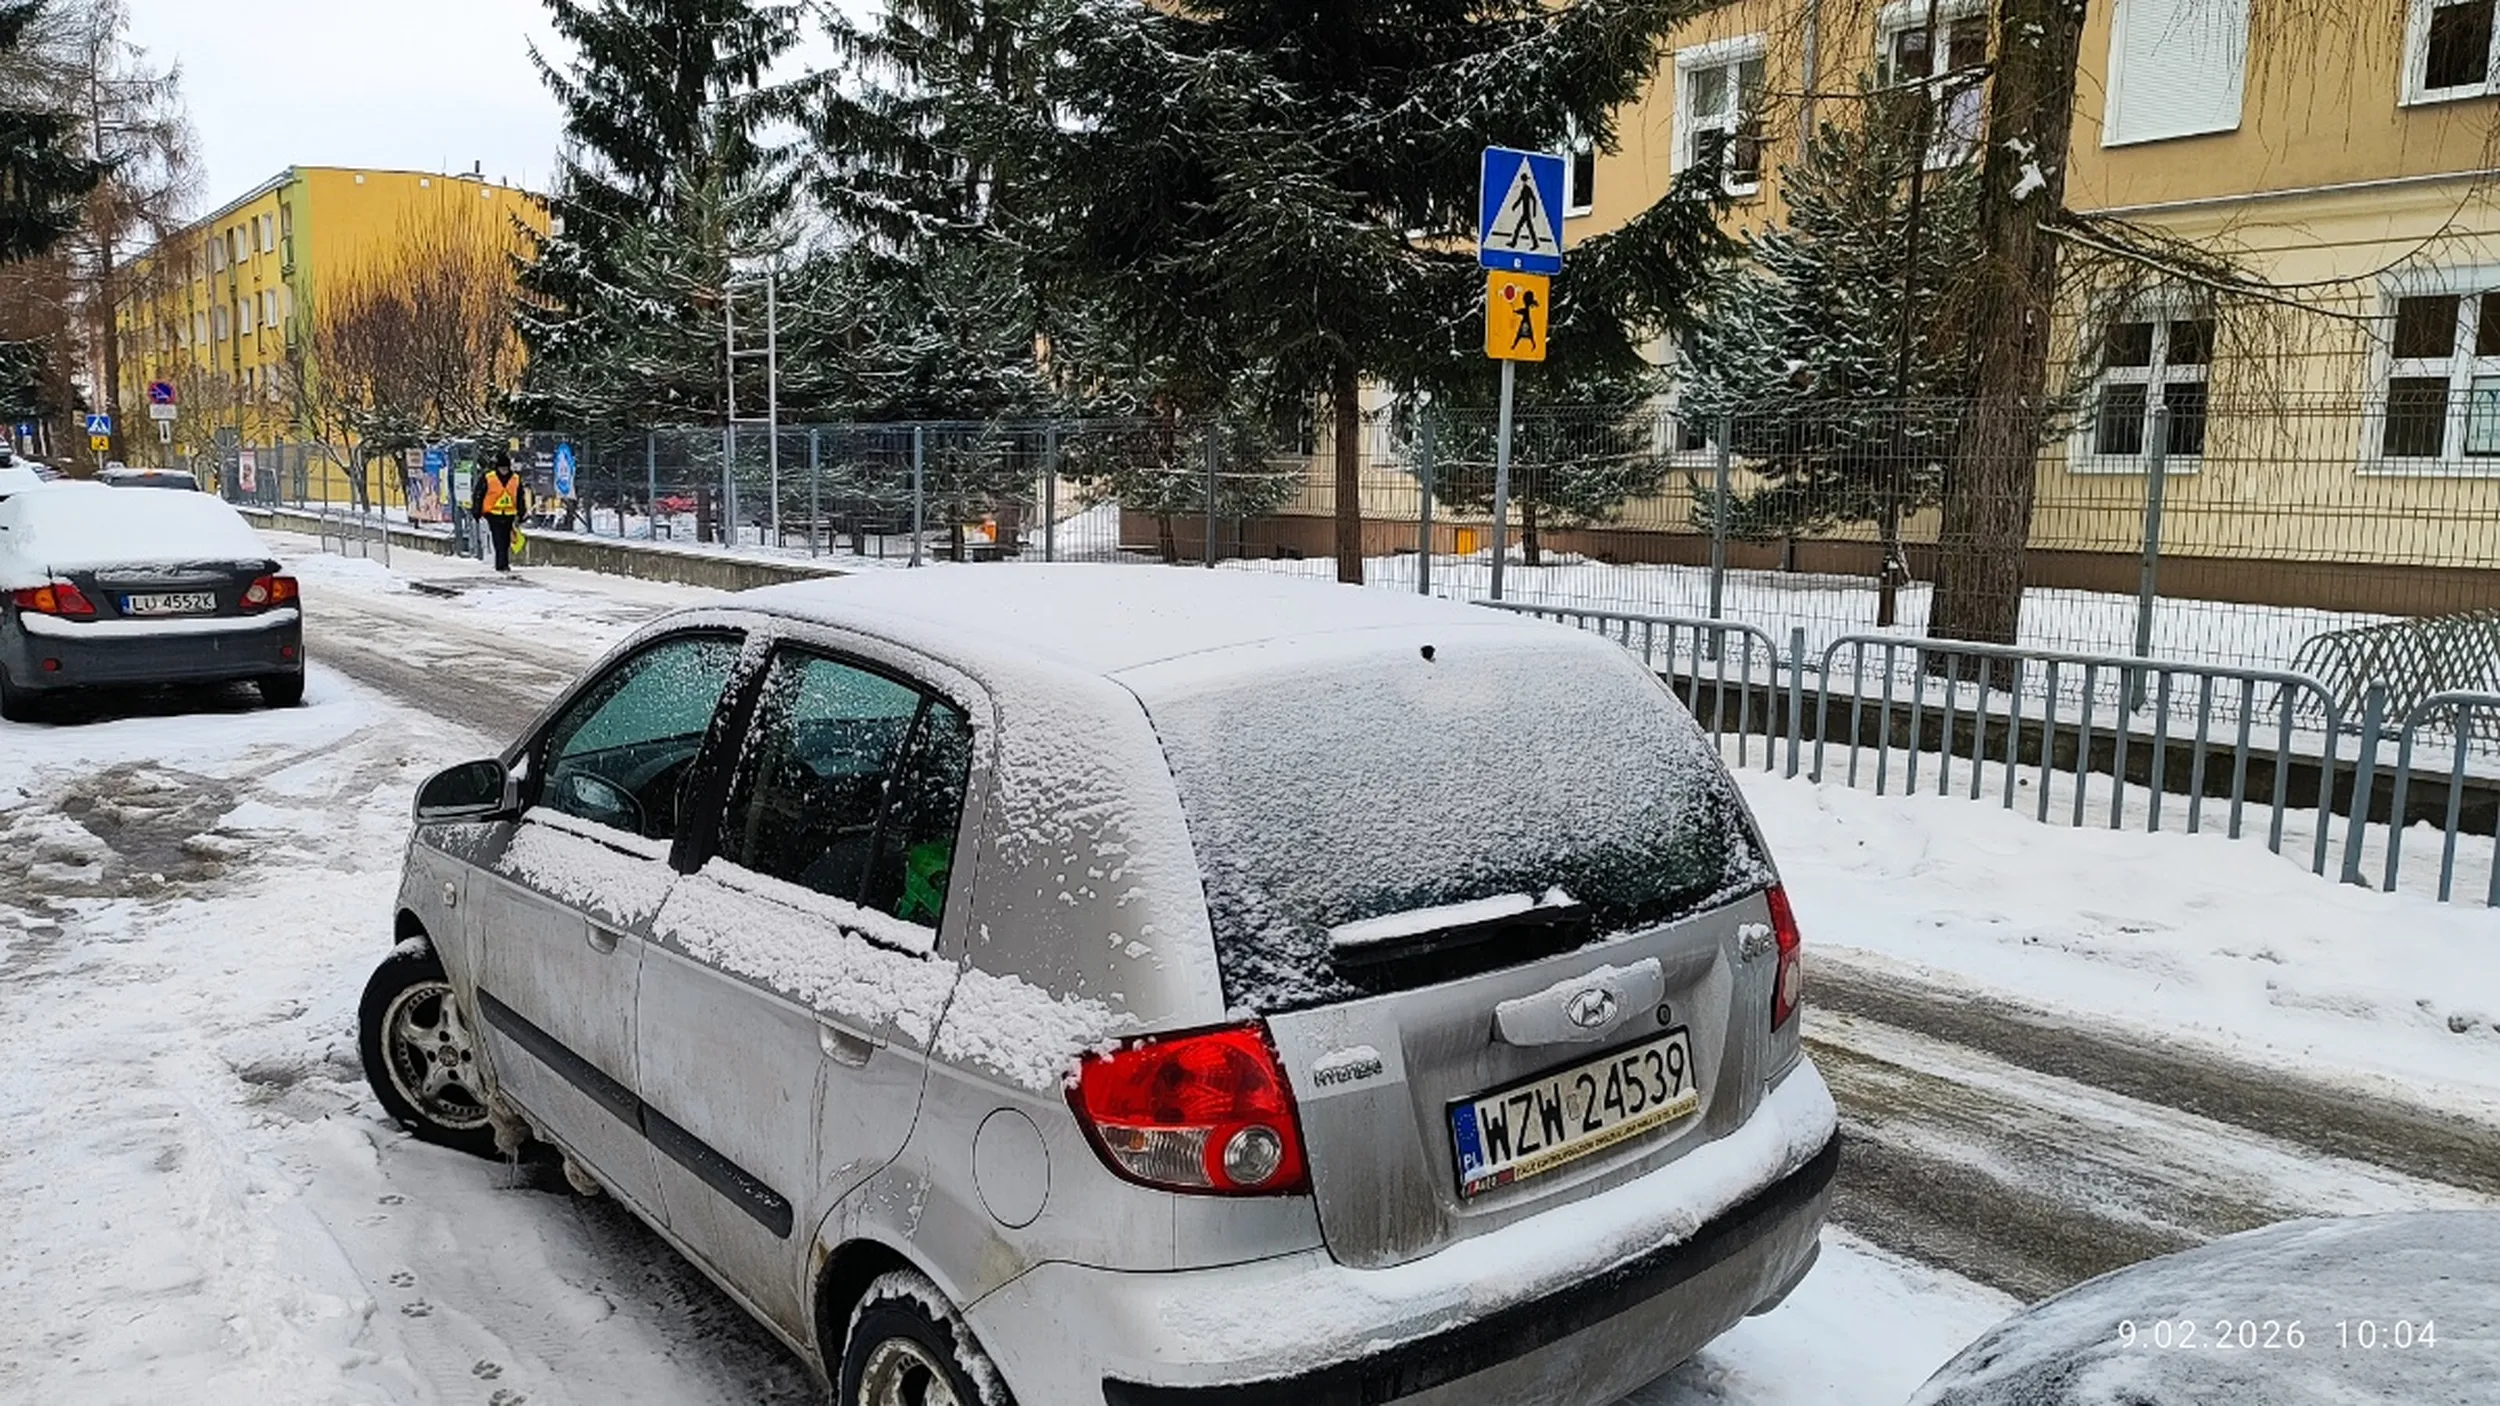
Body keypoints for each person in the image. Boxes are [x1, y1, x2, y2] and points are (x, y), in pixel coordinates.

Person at [473, 448, 528, 573]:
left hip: (509, 513)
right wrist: (477, 510)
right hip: (493, 513)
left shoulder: (515, 479)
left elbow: (520, 496)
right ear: (497, 468)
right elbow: (479, 494)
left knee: (506, 540)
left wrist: (521, 512)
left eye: (506, 468)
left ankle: (503, 562)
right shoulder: (488, 477)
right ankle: (501, 564)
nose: (504, 471)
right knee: (498, 539)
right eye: (501, 468)